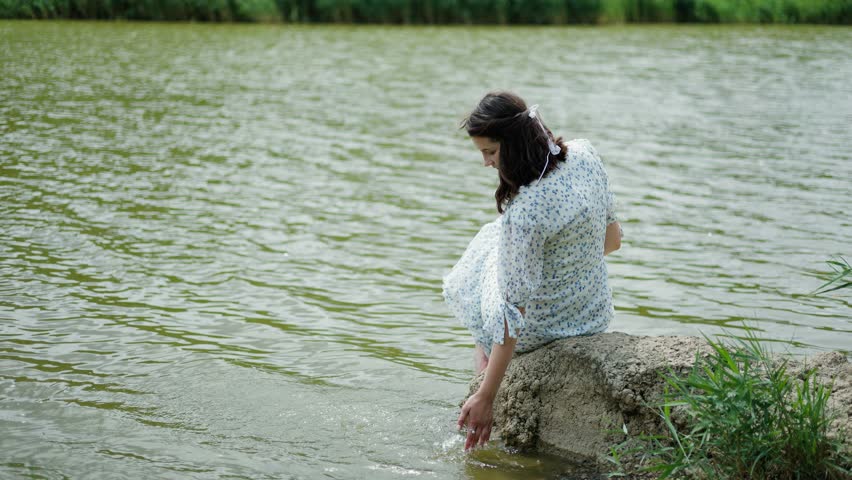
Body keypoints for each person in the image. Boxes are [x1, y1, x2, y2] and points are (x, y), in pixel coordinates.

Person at [442, 91, 622, 452]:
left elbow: (512, 316)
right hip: (592, 312)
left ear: (515, 145)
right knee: (497, 240)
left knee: (476, 267)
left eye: (490, 152)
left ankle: (480, 387)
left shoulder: (525, 212)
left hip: (540, 329)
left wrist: (488, 396)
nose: (486, 163)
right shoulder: (585, 154)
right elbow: (612, 240)